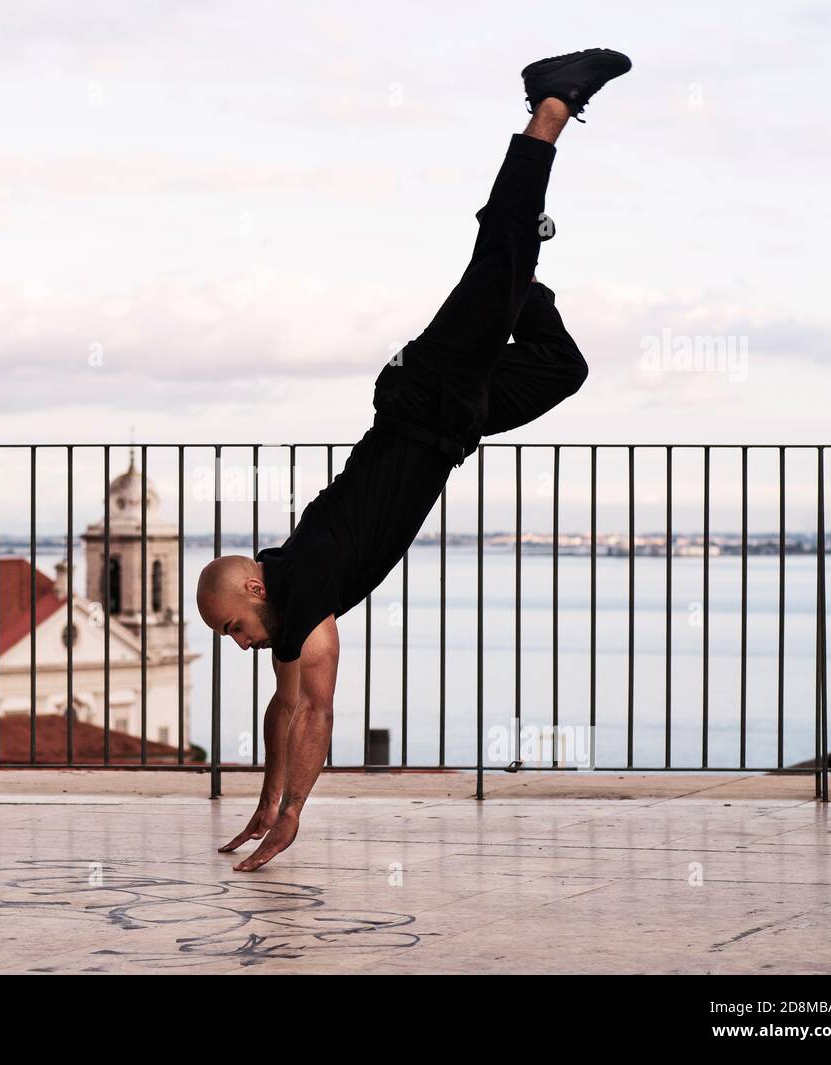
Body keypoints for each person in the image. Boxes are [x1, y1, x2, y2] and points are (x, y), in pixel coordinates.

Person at [196, 48, 632, 871]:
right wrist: (265, 802)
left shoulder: (305, 586)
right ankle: (519, 267)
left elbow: (308, 715)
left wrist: (289, 815)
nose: (240, 642)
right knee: (559, 367)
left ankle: (550, 104)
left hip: (428, 396)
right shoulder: (297, 605)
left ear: (253, 589)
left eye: (233, 628)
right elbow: (284, 712)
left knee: (497, 256)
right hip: (445, 421)